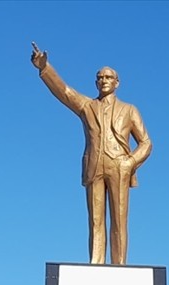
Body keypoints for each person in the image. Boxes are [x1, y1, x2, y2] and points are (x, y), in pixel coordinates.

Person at [30, 43, 152, 265]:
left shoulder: (129, 110)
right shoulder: (87, 106)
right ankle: (95, 265)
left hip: (119, 166)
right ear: (96, 82)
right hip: (94, 166)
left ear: (117, 83)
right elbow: (65, 92)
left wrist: (130, 161)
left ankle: (119, 265)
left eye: (108, 77)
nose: (104, 80)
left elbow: (146, 143)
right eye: (100, 77)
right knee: (95, 221)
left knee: (119, 221)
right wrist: (44, 68)